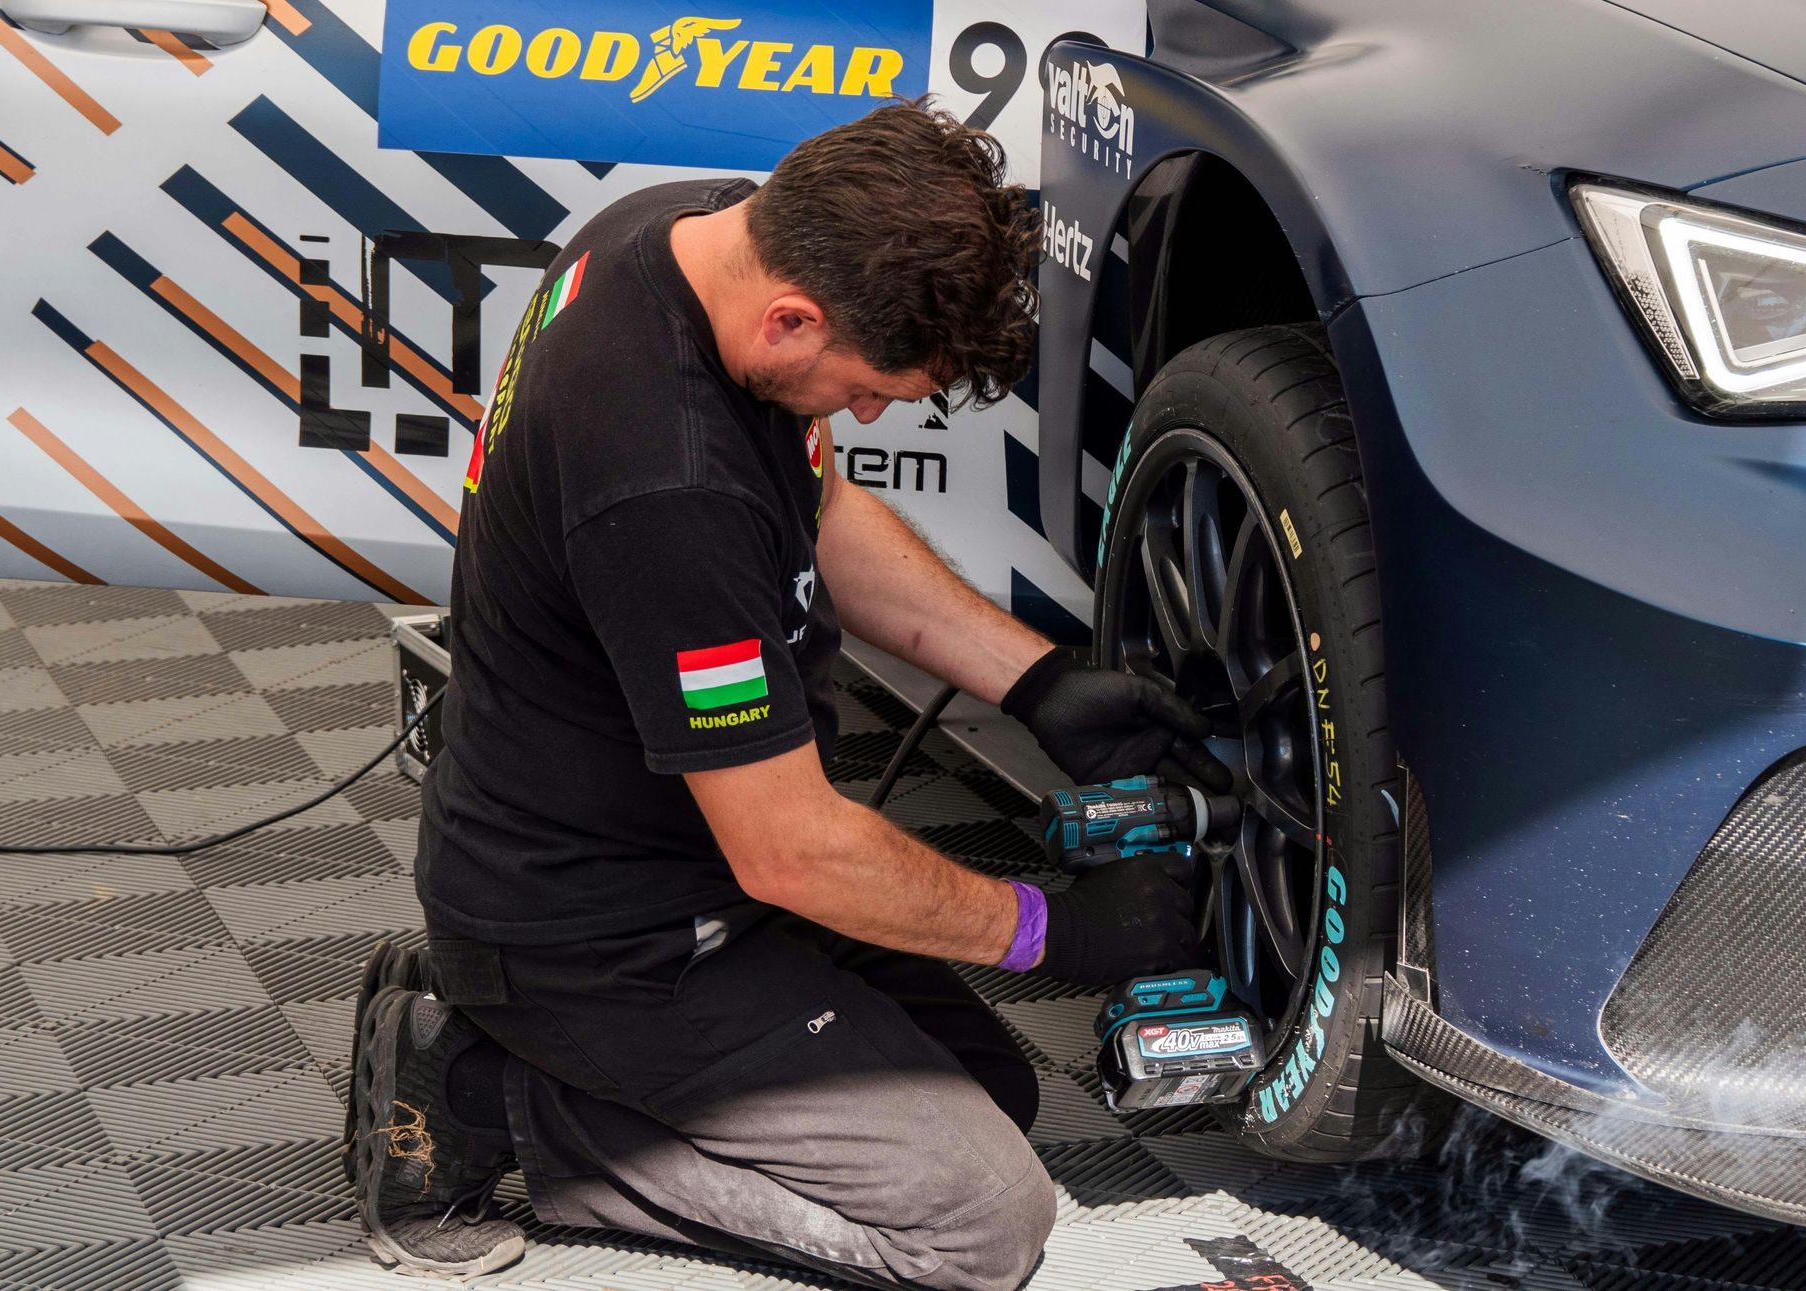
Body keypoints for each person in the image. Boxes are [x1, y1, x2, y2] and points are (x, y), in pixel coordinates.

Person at [346, 100, 1231, 1290]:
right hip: (603, 933)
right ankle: (482, 1090)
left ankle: (525, 1048)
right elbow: (793, 852)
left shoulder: (685, 232)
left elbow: (815, 508)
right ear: (793, 317)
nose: (864, 417)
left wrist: (1037, 679)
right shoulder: (664, 481)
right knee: (977, 1223)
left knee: (993, 1089)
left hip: (676, 865)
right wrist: (1058, 931)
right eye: (864, 388)